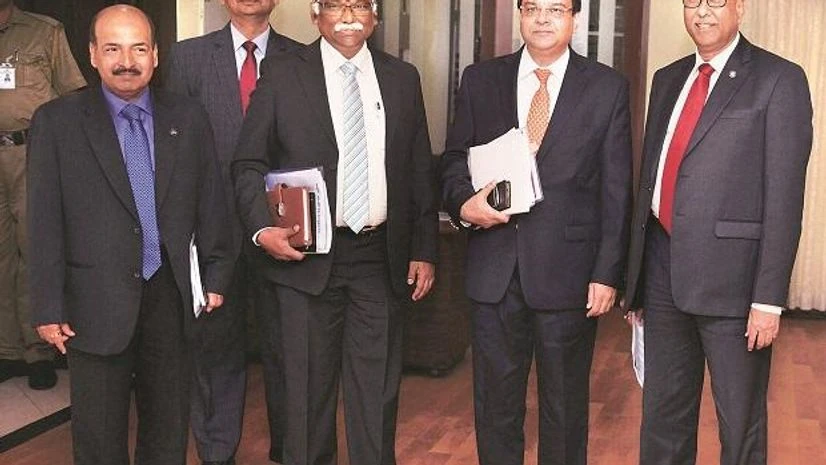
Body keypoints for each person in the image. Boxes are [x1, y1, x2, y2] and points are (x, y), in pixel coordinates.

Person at [232, 1, 438, 463]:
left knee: (376, 395)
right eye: (335, 4)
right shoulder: (283, 73)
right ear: (315, 15)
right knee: (305, 397)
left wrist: (424, 248)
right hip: (304, 258)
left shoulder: (402, 78)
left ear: (374, 15)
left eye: (359, 3)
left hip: (379, 258)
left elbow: (417, 169)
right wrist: (262, 228)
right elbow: (247, 163)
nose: (348, 13)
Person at [27, 5, 234, 465]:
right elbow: (42, 221)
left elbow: (210, 202)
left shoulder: (188, 116)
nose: (127, 61)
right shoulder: (56, 122)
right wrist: (46, 305)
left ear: (156, 55)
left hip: (171, 296)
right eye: (113, 49)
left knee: (167, 431)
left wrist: (217, 274)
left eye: (139, 49)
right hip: (92, 302)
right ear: (92, 55)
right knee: (98, 438)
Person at [441, 0, 632, 464]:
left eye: (556, 9)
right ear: (520, 14)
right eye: (532, 8)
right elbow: (453, 159)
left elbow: (616, 188)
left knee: (564, 409)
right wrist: (464, 204)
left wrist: (607, 273)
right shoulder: (480, 80)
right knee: (495, 407)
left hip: (569, 274)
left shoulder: (606, 87)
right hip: (494, 269)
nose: (543, 19)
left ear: (574, 19)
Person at [622, 1, 813, 464]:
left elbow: (784, 198)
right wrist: (636, 281)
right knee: (662, 421)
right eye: (692, 1)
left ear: (739, 8)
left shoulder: (778, 79)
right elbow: (651, 180)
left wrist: (768, 299)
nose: (702, 12)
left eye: (715, 1)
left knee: (739, 426)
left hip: (736, 286)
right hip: (662, 274)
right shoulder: (667, 79)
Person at [164, 1, 302, 463]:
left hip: (283, 225)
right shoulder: (187, 57)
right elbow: (175, 148)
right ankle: (217, 452)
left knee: (288, 349)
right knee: (215, 347)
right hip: (212, 228)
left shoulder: (302, 57)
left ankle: (290, 449)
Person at [0, 0, 86, 389]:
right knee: (2, 255)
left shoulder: (44, 31)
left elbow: (74, 98)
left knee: (33, 248)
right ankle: (7, 351)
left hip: (31, 153)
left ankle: (38, 350)